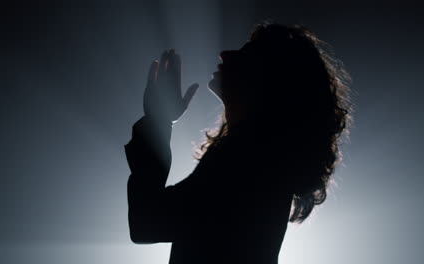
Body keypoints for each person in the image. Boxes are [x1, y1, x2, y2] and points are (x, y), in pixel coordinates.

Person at [125, 21, 351, 264]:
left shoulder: (248, 156)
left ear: (268, 78)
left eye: (246, 54)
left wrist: (157, 119)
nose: (225, 54)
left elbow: (148, 223)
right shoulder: (264, 157)